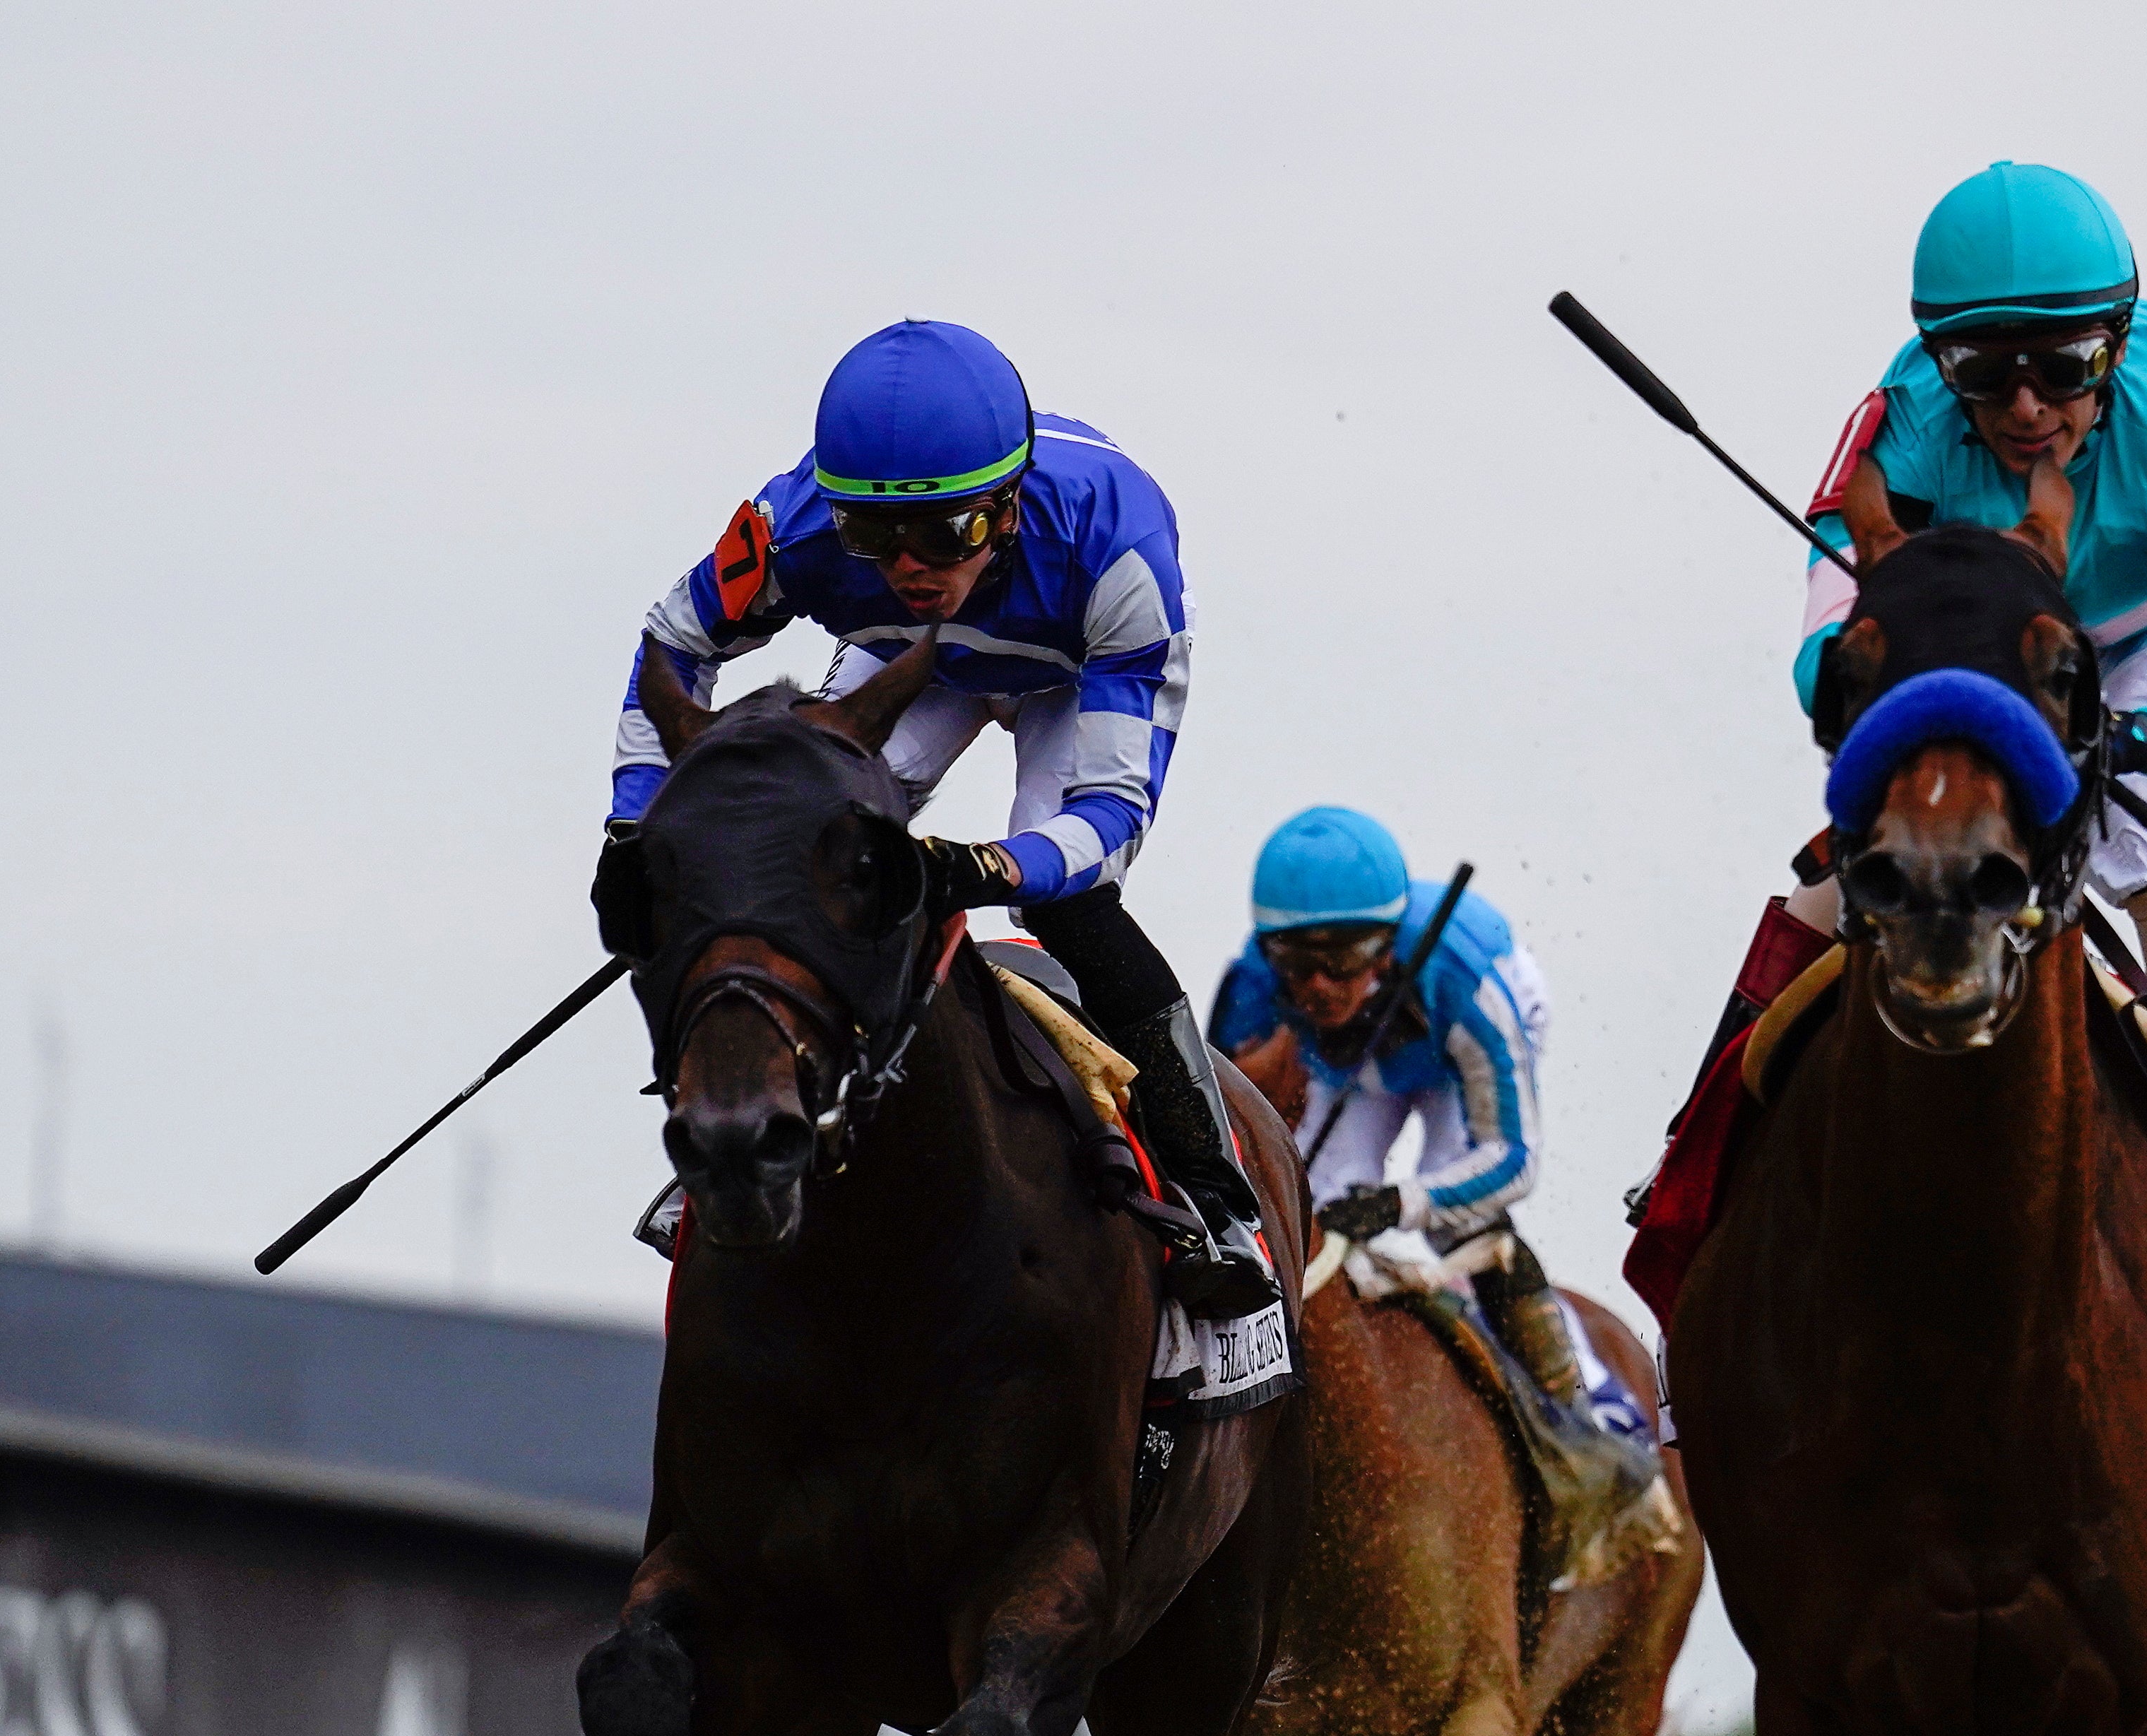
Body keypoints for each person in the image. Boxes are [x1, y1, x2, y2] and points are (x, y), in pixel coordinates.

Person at [1708, 162, 2147, 1325]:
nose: (2025, 409)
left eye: (2064, 368)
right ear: (1939, 362)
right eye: (1983, 374)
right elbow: (1820, 666)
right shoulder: (1893, 435)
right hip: (1962, 650)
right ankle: (1704, 1171)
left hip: (2144, 657)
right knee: (1837, 886)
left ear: (2118, 343)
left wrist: (2124, 731)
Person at [607, 318, 1273, 1318]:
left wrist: (985, 870)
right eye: (873, 538)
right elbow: (673, 642)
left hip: (1071, 672)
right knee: (806, 855)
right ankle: (740, 1123)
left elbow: (1104, 822)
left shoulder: (1119, 547)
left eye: (946, 532)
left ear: (1006, 509)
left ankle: (1219, 1197)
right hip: (914, 661)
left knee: (1073, 909)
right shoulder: (788, 529)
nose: (910, 568)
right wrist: (636, 828)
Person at [1211, 805, 1654, 1548]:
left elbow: (1511, 1162)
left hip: (1461, 1048)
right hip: (1356, 1063)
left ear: (1385, 948)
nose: (1318, 986)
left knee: (1454, 1212)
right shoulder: (1252, 981)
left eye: (1342, 960)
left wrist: (1402, 1202)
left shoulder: (1470, 984)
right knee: (1308, 1211)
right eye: (1297, 965)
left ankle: (1579, 1416)